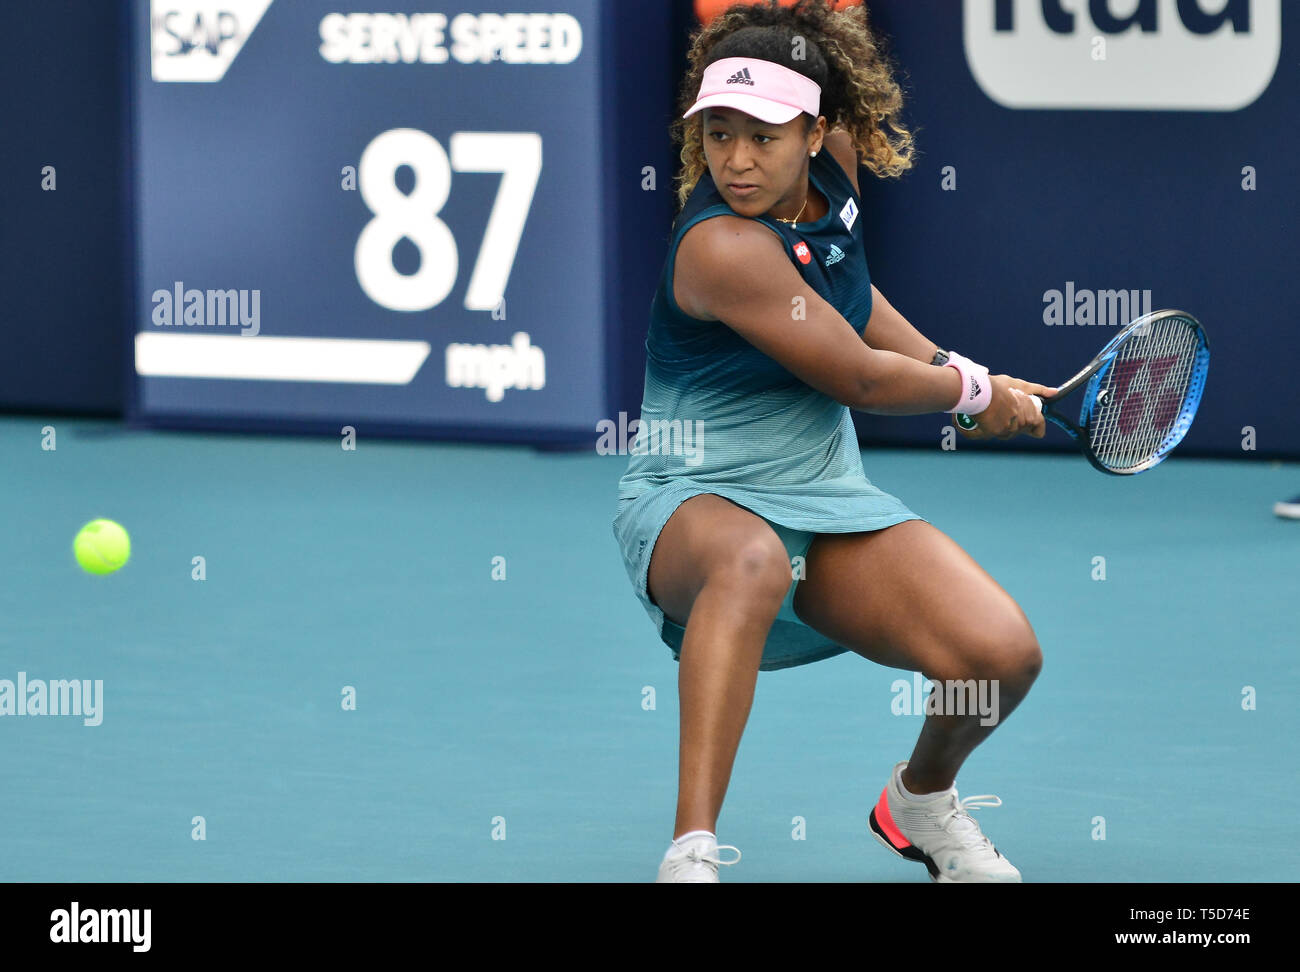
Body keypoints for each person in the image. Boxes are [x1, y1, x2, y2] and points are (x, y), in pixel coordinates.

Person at [612, 0, 1055, 883]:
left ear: (817, 133)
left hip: (825, 495)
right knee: (750, 562)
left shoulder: (839, 175)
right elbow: (854, 376)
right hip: (692, 496)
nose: (736, 160)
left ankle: (921, 801)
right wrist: (972, 395)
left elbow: (854, 302)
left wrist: (954, 366)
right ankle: (690, 852)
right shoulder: (719, 250)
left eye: (764, 136)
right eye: (720, 133)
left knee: (1000, 657)